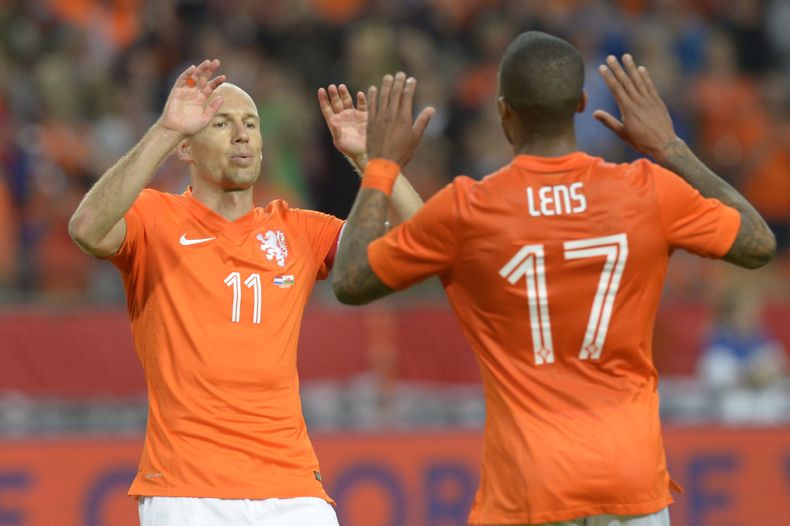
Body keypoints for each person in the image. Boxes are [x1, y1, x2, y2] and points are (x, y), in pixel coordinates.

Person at [332, 32, 776, 525]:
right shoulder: (647, 192)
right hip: (630, 479)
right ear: (582, 105)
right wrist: (670, 147)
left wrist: (382, 165)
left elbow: (351, 280)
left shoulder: (469, 211)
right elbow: (758, 243)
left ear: (503, 111)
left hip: (529, 486)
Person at [68, 59, 422, 526]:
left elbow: (421, 247)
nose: (242, 134)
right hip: (188, 490)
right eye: (221, 123)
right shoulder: (154, 219)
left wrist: (373, 164)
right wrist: (165, 129)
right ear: (187, 149)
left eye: (251, 124)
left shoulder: (298, 230)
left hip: (294, 488)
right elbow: (87, 229)